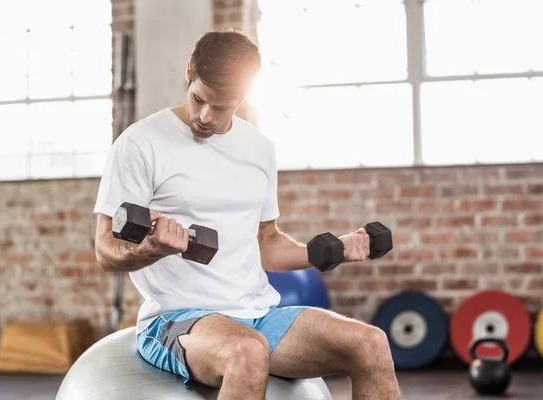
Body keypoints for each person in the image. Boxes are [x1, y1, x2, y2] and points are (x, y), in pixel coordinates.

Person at [93, 28, 401, 400]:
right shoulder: (140, 143)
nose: (205, 116)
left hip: (258, 314)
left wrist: (336, 248)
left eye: (222, 107)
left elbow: (266, 244)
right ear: (189, 71)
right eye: (199, 99)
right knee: (248, 352)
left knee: (370, 343)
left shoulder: (259, 149)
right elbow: (105, 250)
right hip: (176, 318)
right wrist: (154, 249)